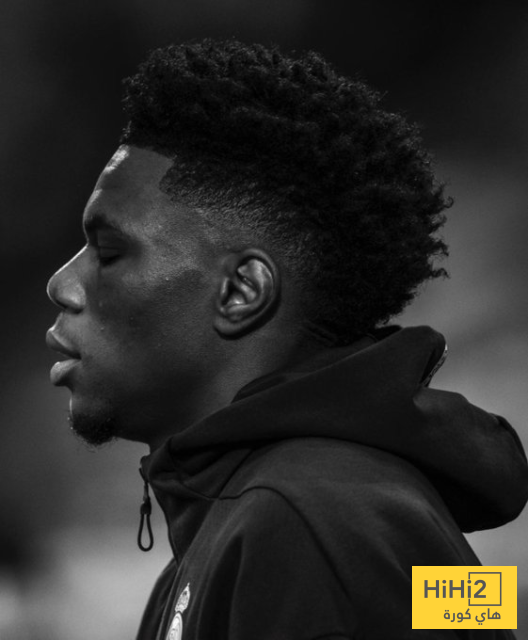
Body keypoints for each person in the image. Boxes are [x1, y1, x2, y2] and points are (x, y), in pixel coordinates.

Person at [46, 40, 527, 639]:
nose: (61, 284)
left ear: (241, 291)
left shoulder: (309, 524)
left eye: (108, 251)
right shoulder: (290, 513)